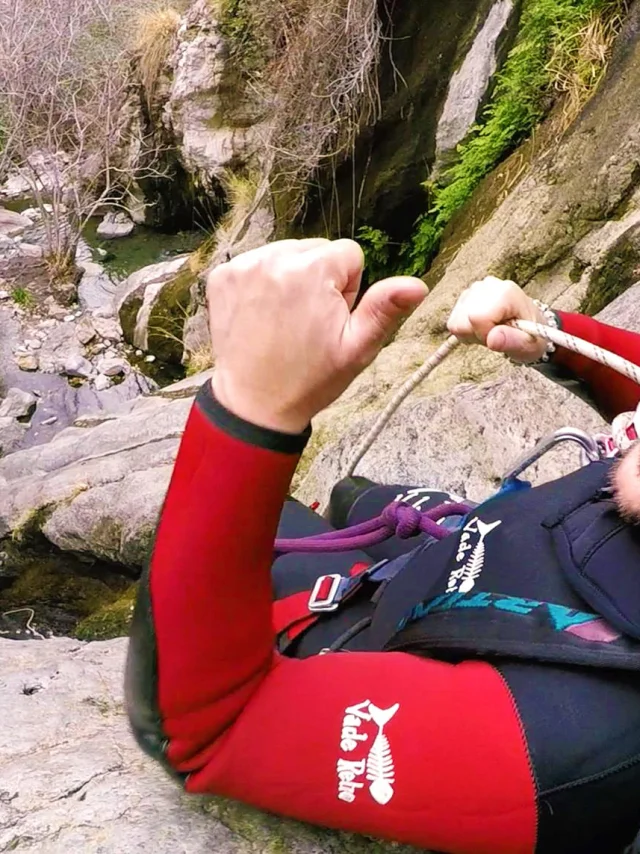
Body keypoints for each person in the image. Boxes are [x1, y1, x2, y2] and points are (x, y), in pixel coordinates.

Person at [125, 238, 640, 854]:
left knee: (267, 525)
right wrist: (556, 336)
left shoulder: (581, 747)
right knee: (352, 492)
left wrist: (250, 413)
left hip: (407, 631)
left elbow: (204, 734)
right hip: (496, 547)